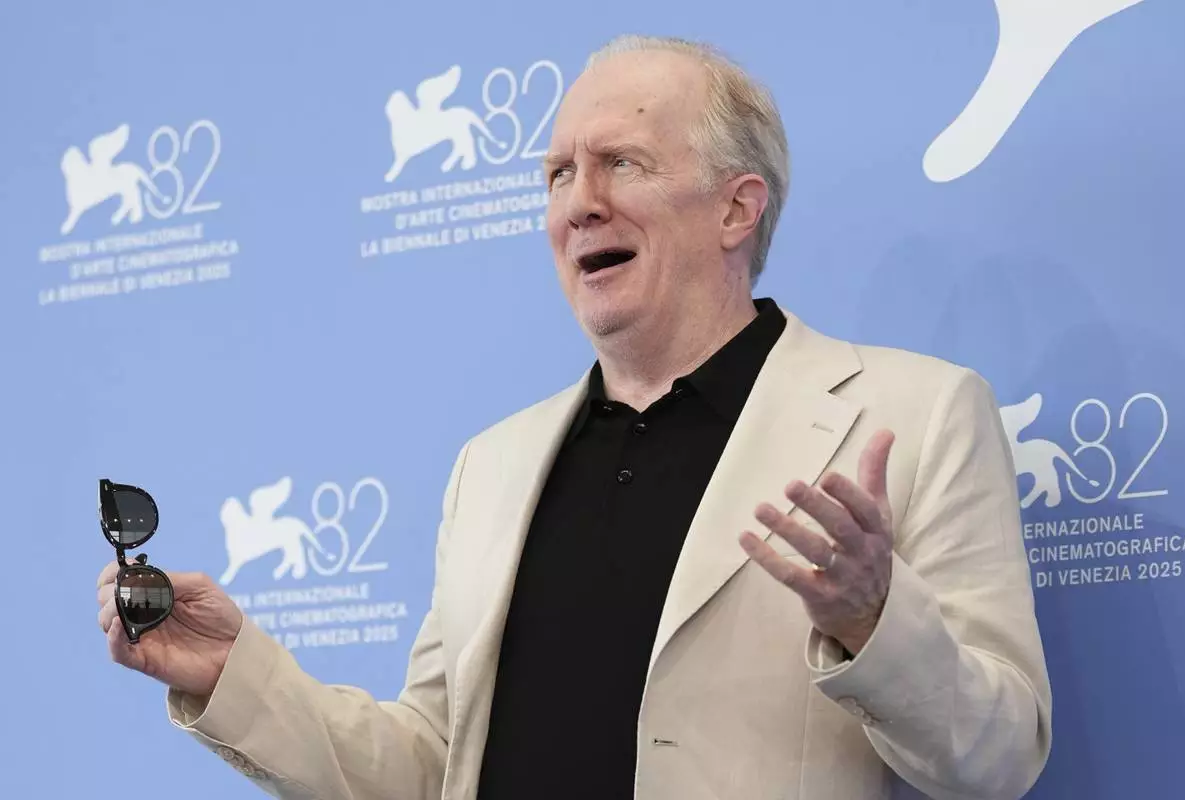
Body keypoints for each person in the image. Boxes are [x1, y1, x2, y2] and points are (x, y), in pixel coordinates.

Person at [96, 34, 1052, 799]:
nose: (577, 206)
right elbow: (430, 764)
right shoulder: (493, 465)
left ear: (737, 208)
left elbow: (1000, 757)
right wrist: (234, 675)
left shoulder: (915, 414)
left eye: (619, 164)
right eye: (556, 175)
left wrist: (872, 618)